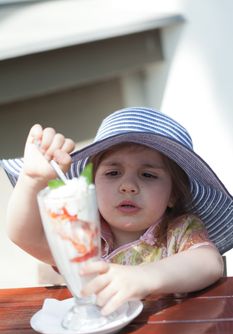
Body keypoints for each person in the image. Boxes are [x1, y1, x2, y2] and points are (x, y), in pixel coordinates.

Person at [1, 107, 232, 317]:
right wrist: (32, 180)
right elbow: (25, 236)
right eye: (113, 173)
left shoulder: (179, 230)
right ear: (91, 185)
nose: (127, 186)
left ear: (173, 195)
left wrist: (143, 277)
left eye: (148, 175)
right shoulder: (82, 234)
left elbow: (208, 262)